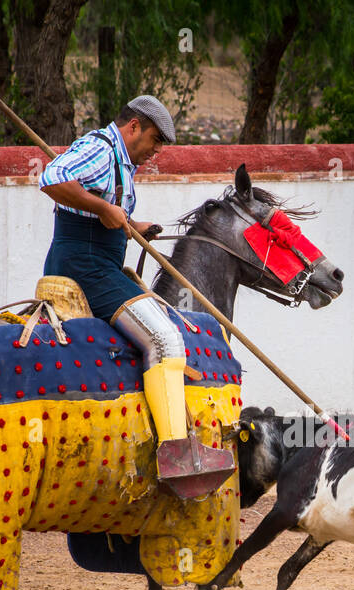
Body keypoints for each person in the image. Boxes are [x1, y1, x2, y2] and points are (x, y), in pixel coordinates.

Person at [38, 95, 233, 497]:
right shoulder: (101, 149)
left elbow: (98, 211)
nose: (156, 151)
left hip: (97, 262)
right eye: (156, 140)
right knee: (165, 338)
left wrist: (130, 223)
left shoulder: (118, 160)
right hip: (87, 268)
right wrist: (103, 208)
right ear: (134, 127)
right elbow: (52, 178)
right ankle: (177, 453)